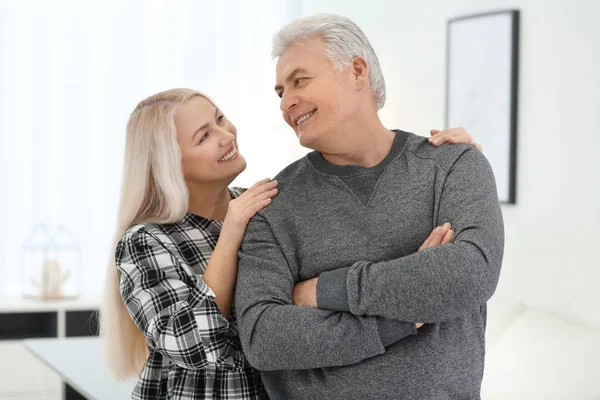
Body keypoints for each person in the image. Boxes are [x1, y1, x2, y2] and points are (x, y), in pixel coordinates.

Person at [100, 95, 480, 398]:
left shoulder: (267, 206)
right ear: (170, 164)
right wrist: (231, 232)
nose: (226, 134)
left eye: (219, 118)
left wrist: (453, 160)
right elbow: (193, 344)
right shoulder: (147, 241)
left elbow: (363, 239)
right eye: (204, 136)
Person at [235, 13, 504, 400]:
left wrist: (321, 291)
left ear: (357, 71)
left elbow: (471, 272)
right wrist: (404, 315)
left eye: (300, 80)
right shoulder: (274, 204)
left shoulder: (452, 165)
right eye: (280, 92)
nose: (286, 102)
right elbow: (263, 335)